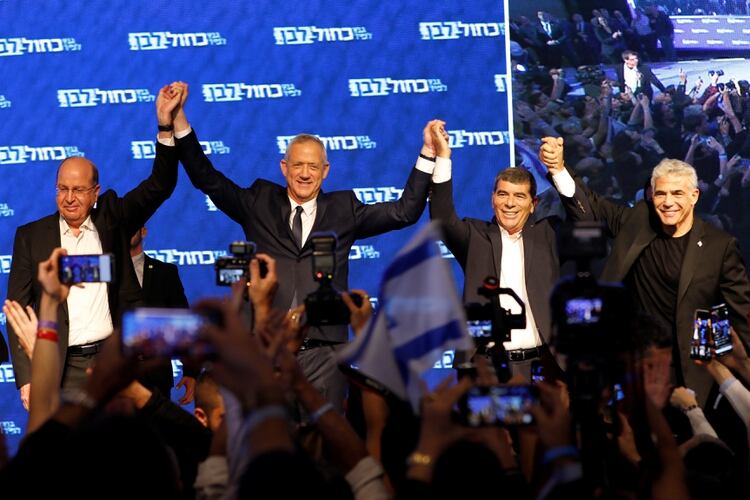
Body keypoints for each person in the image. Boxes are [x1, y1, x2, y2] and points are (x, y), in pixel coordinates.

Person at [167, 84, 435, 411]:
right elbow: (206, 177)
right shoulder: (259, 202)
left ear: (325, 172)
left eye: (313, 167)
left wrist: (427, 156)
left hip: (326, 353)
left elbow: (404, 211)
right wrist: (178, 119)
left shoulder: (344, 209)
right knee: (268, 439)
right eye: (297, 166)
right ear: (284, 168)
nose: (305, 174)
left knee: (327, 441)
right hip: (267, 348)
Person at [5, 84, 183, 408]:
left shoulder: (112, 219)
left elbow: (161, 184)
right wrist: (27, 376)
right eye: (62, 189)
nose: (69, 198)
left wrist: (164, 125)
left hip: (113, 360)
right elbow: (18, 311)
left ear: (95, 192)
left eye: (78, 190)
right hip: (60, 366)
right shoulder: (31, 237)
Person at [539, 137, 750, 404]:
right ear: (651, 196)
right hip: (636, 370)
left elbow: (742, 315)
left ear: (694, 196)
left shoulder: (720, 247)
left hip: (695, 375)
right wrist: (558, 168)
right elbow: (591, 207)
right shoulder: (638, 220)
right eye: (661, 194)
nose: (668, 202)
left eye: (677, 193)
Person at [429, 123, 560, 379]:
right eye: (503, 194)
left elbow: (583, 217)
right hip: (487, 367)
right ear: (493, 199)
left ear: (533, 204)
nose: (510, 203)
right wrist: (443, 158)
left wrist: (559, 170)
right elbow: (442, 219)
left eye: (519, 197)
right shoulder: (475, 236)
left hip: (543, 366)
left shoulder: (549, 235)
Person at [129, 226, 196, 403]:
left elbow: (182, 323)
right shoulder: (104, 273)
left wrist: (190, 371)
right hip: (115, 377)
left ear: (143, 231)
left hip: (156, 377)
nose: (127, 230)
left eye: (132, 225)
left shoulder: (165, 273)